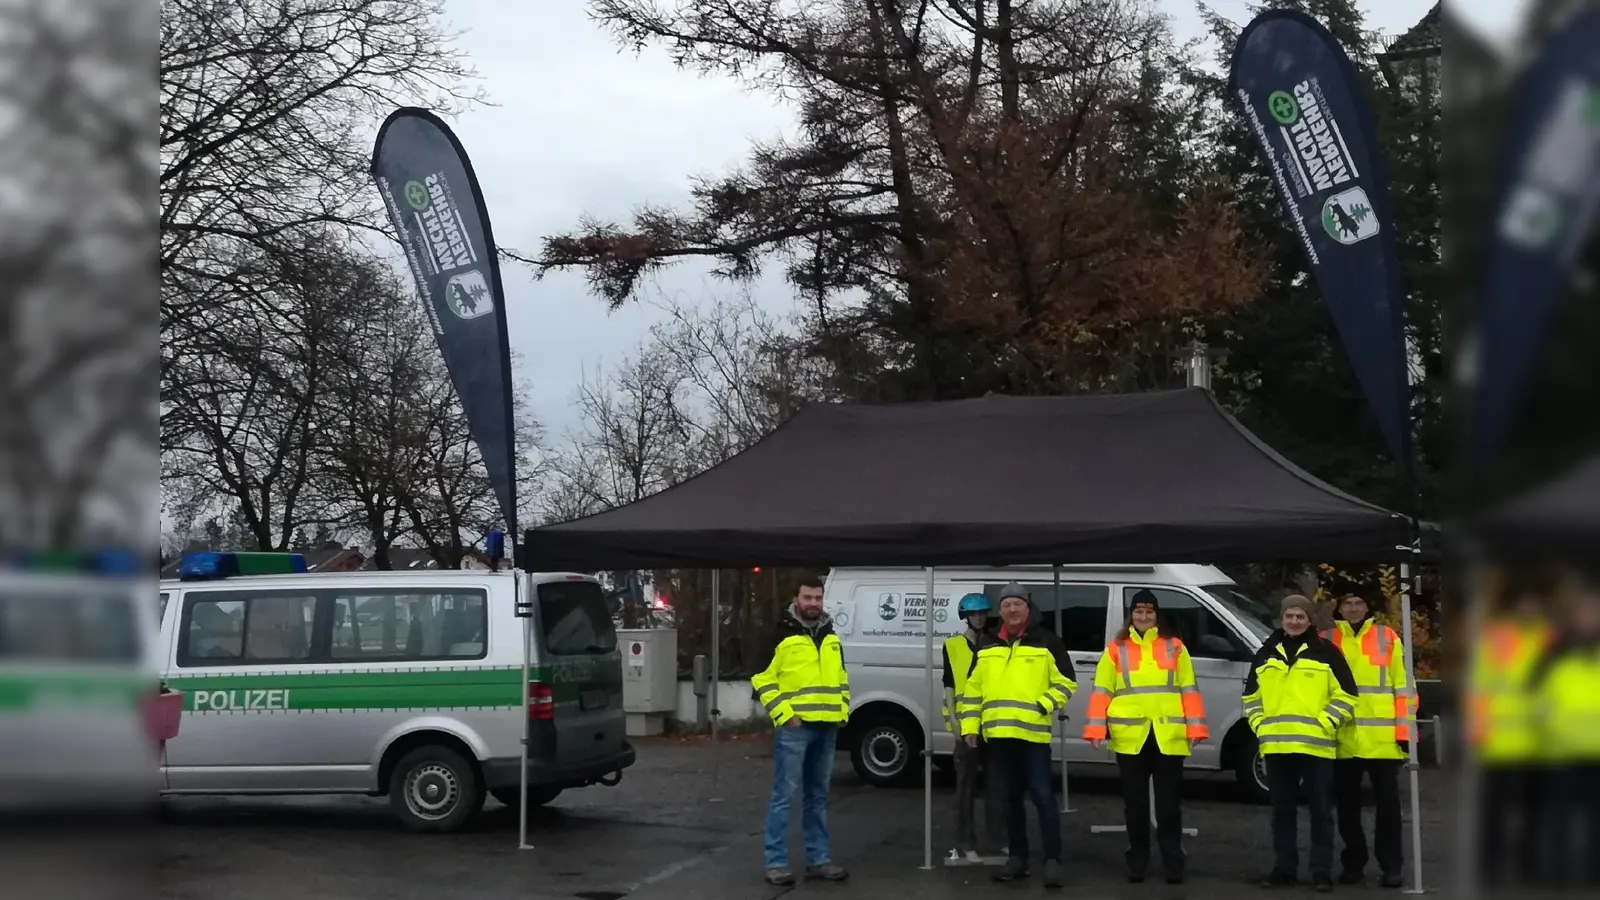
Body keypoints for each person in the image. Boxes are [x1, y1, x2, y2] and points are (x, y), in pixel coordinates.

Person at [1083, 589, 1207, 885]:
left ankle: (1173, 863)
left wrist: (1197, 727)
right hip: (1131, 737)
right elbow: (1102, 690)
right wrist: (1095, 728)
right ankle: (1137, 862)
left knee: (1169, 807)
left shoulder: (1175, 647)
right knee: (1135, 805)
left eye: (1149, 612)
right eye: (1138, 612)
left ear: (1157, 615)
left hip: (1168, 736)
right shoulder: (1116, 648)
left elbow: (1189, 688)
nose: (1143, 617)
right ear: (1131, 615)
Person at [957, 582, 1076, 887]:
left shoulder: (1047, 642)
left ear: (1027, 608)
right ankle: (1018, 859)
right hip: (998, 738)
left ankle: (1052, 860)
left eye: (1017, 604)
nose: (1012, 609)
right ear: (1000, 611)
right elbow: (972, 692)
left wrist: (1043, 705)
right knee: (1009, 800)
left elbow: (1066, 683)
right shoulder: (986, 647)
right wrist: (970, 727)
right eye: (1007, 604)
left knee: (1043, 798)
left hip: (1033, 737)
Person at [1243, 594, 1358, 892]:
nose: (1294, 621)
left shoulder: (1327, 652)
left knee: (1321, 813)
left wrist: (1325, 723)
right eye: (1289, 616)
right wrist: (1260, 726)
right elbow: (1250, 699)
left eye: (1300, 616)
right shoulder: (1266, 653)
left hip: (1315, 746)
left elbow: (1347, 695)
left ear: (1309, 620)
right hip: (1277, 747)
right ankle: (1284, 869)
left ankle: (1320, 872)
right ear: (1282, 619)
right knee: (1282, 813)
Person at [750, 576, 850, 886]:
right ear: (796, 599)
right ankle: (775, 862)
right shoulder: (780, 635)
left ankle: (818, 860)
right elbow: (761, 679)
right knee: (785, 796)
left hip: (826, 728)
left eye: (818, 598)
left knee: (818, 798)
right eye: (808, 597)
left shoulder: (831, 636)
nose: (813, 603)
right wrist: (785, 715)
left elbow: (841, 678)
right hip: (796, 729)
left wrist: (843, 709)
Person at [1320, 593, 1415, 888]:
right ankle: (1353, 864)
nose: (1352, 608)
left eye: (1358, 602)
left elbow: (1403, 686)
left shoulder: (1388, 637)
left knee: (1388, 810)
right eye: (1346, 602)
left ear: (1367, 607)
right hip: (1343, 738)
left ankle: (1391, 866)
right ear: (1338, 607)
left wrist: (1405, 733)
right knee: (1348, 810)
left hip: (1383, 739)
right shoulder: (1326, 638)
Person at [1467, 576, 1551, 886]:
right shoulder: (1497, 638)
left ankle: (1529, 863)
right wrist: (1477, 731)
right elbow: (1479, 686)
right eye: (1524, 603)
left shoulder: (1549, 639)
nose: (1529, 608)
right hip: (1498, 740)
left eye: (1534, 604)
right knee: (1494, 809)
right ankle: (1491, 864)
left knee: (1534, 809)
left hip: (1538, 741)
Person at [1529, 576, 1600, 886]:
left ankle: (1592, 871)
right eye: (1584, 612)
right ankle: (1557, 874)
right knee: (1558, 817)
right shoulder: (1554, 653)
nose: (1589, 618)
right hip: (1562, 749)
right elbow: (1536, 695)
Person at [944, 592, 1005, 861]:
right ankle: (965, 841)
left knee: (996, 784)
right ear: (965, 617)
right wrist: (955, 723)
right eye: (973, 613)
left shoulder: (996, 644)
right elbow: (948, 685)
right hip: (966, 725)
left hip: (992, 724)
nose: (978, 617)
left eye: (982, 613)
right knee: (965, 787)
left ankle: (998, 839)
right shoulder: (953, 646)